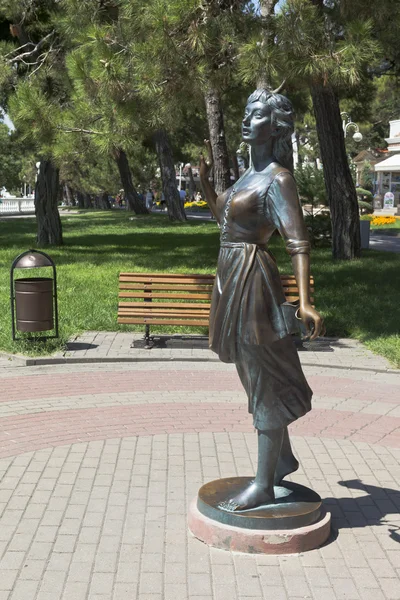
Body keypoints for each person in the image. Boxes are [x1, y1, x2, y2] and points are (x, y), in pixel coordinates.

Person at [199, 88, 324, 512]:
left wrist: (304, 301)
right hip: (230, 277)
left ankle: (264, 485)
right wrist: (202, 183)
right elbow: (229, 225)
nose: (245, 121)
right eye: (246, 114)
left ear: (274, 127)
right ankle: (283, 458)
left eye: (254, 115)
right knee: (249, 375)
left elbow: (298, 244)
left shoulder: (278, 179)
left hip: (254, 280)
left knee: (263, 377)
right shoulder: (244, 179)